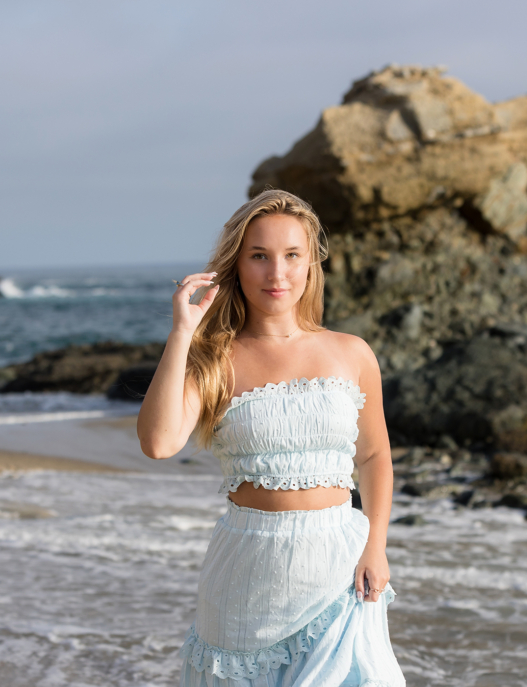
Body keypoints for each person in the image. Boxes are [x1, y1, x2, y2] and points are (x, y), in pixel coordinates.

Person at [138, 189, 405, 686]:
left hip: (339, 569)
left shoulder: (352, 353)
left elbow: (373, 455)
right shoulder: (212, 359)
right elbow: (158, 442)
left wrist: (376, 545)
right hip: (247, 576)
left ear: (311, 264)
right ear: (236, 265)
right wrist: (182, 335)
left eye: (291, 256)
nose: (276, 273)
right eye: (259, 256)